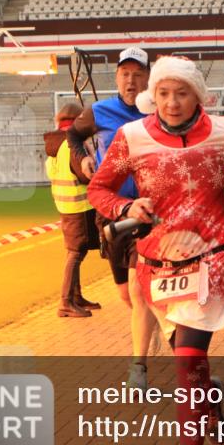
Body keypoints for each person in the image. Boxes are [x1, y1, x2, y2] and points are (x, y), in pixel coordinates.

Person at [87, 56, 224, 445]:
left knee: (187, 364)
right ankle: (213, 400)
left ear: (197, 96)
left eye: (181, 92)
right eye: (163, 93)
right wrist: (126, 209)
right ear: (153, 94)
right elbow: (99, 190)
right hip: (158, 268)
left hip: (214, 259)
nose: (171, 102)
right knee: (192, 364)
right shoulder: (132, 137)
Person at [67, 46, 157, 389]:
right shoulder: (99, 111)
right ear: (117, 77)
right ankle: (149, 327)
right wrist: (82, 159)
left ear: (148, 78)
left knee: (138, 289)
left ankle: (139, 367)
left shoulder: (158, 111)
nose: (131, 81)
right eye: (125, 74)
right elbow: (72, 134)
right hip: (111, 214)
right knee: (125, 294)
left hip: (148, 211)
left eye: (137, 74)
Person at [43, 102, 100, 318]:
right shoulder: (73, 145)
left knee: (77, 251)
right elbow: (87, 175)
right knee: (76, 253)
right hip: (80, 206)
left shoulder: (53, 147)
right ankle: (66, 301)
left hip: (65, 205)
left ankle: (75, 296)